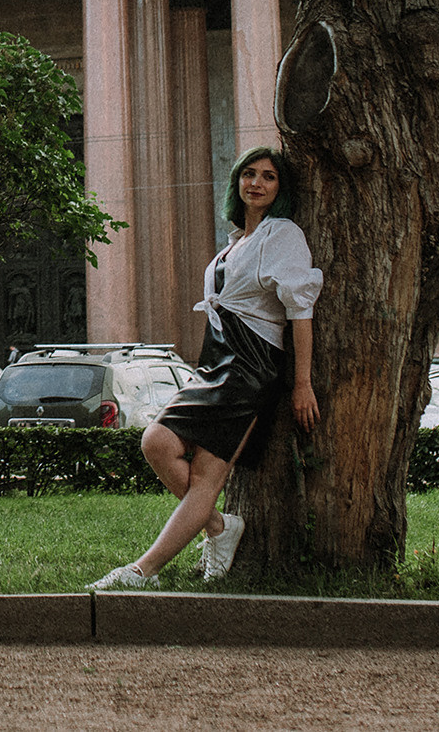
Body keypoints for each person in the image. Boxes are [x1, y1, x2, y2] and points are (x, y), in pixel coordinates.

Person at [92, 146, 322, 591]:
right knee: (157, 442)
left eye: (269, 177)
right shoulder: (236, 241)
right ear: (237, 181)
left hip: (250, 367)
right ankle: (218, 527)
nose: (256, 183)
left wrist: (302, 383)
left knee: (206, 477)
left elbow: (301, 310)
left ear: (281, 188)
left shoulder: (283, 234)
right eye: (249, 174)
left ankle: (142, 572)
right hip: (216, 360)